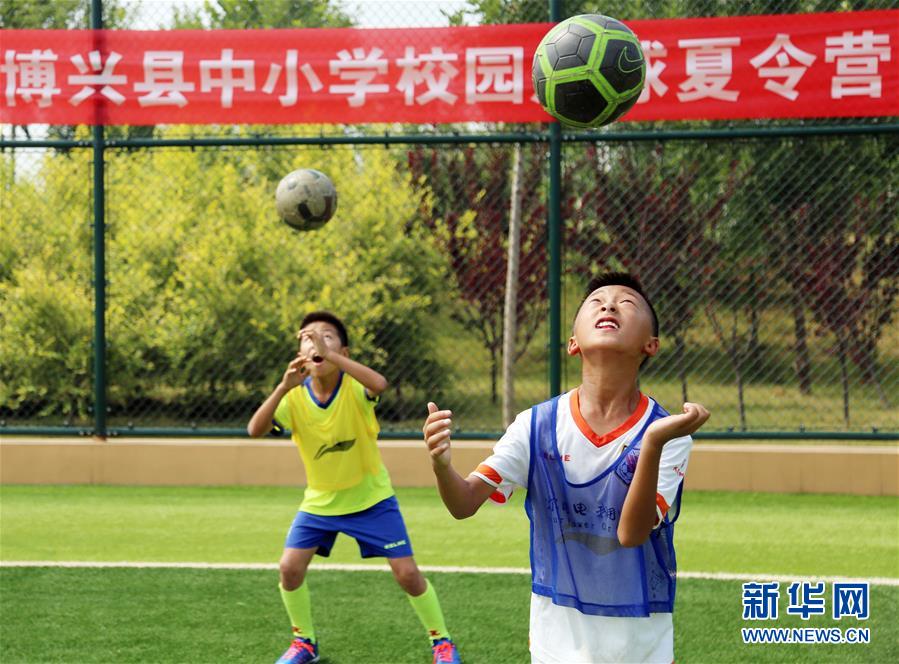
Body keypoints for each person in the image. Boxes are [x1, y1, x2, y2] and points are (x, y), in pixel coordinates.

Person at [422, 273, 710, 663]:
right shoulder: (535, 425)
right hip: (556, 640)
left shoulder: (668, 433)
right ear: (573, 342)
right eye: (596, 301)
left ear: (651, 345)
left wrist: (654, 441)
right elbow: (463, 504)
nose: (609, 305)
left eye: (627, 303)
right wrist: (441, 466)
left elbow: (631, 533)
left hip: (641, 644)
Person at [249, 311, 461, 664]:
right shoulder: (293, 398)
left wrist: (330, 356)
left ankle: (442, 642)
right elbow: (255, 430)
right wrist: (283, 386)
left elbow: (380, 383)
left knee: (407, 574)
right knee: (289, 568)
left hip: (372, 500)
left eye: (326, 336)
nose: (316, 342)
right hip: (319, 505)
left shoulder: (355, 388)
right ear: (300, 353)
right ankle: (304, 642)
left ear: (343, 352)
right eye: (308, 337)